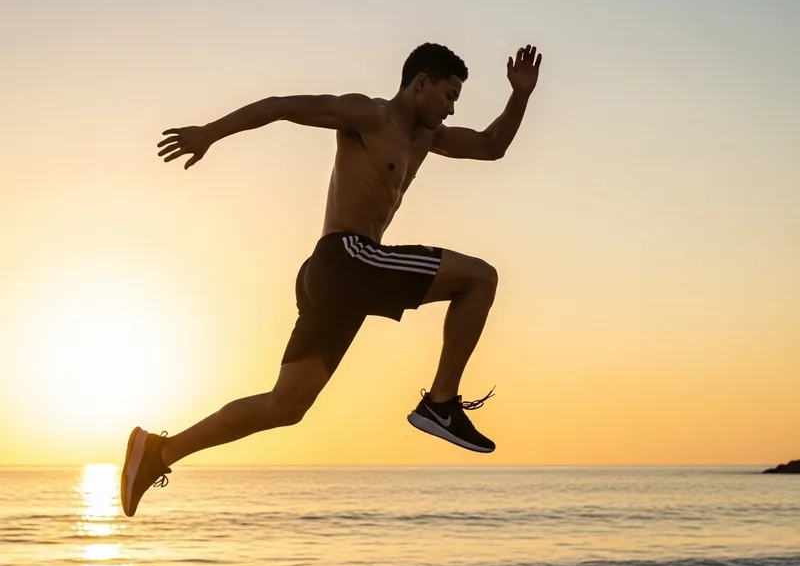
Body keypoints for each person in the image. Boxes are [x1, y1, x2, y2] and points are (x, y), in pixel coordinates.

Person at [121, 42, 543, 518]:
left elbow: (491, 146)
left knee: (285, 406)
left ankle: (159, 451)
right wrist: (210, 133)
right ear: (420, 82)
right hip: (345, 258)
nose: (450, 109)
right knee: (481, 278)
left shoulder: (427, 137)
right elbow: (281, 107)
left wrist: (521, 95)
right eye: (449, 95)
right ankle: (441, 402)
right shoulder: (370, 115)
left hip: (340, 279)